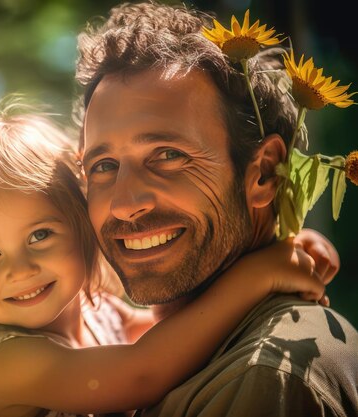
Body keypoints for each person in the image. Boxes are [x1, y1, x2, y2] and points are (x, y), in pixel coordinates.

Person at [0, 101, 337, 417]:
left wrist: (283, 248)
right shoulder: (2, 365)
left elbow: (181, 330)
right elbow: (144, 371)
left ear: (82, 225)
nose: (18, 269)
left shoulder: (98, 313)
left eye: (39, 234)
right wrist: (258, 276)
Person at [75, 1, 358, 416]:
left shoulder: (263, 376)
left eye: (167, 155)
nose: (124, 204)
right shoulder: (114, 338)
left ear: (262, 174)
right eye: (103, 166)